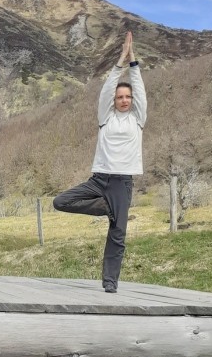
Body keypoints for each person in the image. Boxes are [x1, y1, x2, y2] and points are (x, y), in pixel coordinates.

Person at [53, 32, 146, 293]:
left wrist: (134, 62)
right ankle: (105, 207)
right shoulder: (105, 117)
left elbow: (139, 90)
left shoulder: (138, 118)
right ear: (114, 101)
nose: (124, 100)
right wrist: (120, 62)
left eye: (128, 97)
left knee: (118, 234)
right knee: (61, 201)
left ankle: (109, 282)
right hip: (98, 180)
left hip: (122, 182)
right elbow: (106, 90)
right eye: (120, 97)